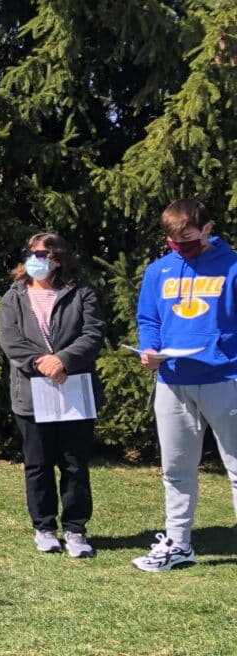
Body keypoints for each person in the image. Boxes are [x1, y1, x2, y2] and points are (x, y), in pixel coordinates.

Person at [132, 198, 237, 572]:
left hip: (225, 378)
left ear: (208, 228)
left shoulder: (232, 266)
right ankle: (178, 545)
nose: (181, 247)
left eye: (188, 240)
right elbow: (149, 319)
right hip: (173, 380)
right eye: (174, 241)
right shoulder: (158, 271)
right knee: (176, 468)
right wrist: (149, 349)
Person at [0, 233, 105, 558]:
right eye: (29, 252)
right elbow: (11, 341)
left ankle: (75, 529)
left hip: (74, 391)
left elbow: (93, 332)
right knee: (38, 464)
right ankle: (44, 527)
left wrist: (64, 360)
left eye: (41, 254)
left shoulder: (80, 292)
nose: (34, 258)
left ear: (57, 259)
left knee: (74, 464)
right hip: (31, 395)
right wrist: (43, 363)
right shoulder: (13, 297)